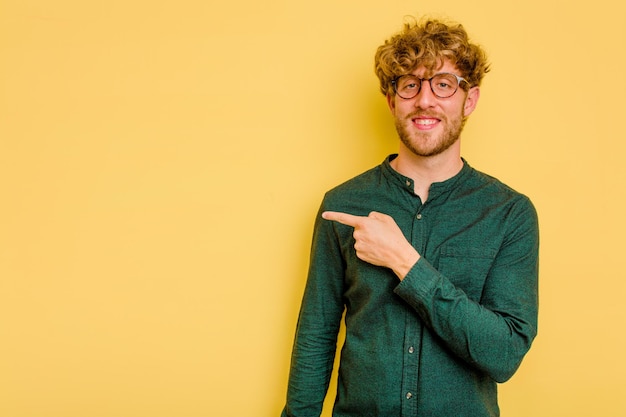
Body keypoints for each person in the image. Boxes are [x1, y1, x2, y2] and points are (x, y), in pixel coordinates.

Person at [280, 17, 539, 417]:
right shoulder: (343, 203)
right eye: (410, 84)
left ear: (469, 100)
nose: (425, 100)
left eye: (443, 84)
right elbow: (316, 336)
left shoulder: (509, 213)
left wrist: (404, 261)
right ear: (392, 100)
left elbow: (504, 353)